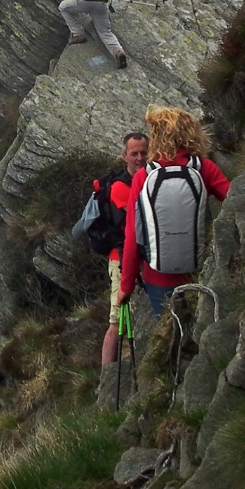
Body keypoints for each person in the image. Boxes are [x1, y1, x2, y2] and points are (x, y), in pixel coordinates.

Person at [119, 106, 230, 316]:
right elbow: (236, 202)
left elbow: (133, 235)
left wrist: (126, 286)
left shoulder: (144, 176)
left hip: (157, 276)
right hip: (198, 271)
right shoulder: (204, 168)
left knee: (168, 341)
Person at [100, 132, 149, 365]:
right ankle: (107, 375)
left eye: (143, 153)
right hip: (120, 259)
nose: (140, 158)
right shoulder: (120, 187)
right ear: (124, 156)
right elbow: (142, 220)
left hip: (142, 256)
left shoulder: (148, 179)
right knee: (116, 320)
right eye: (134, 154)